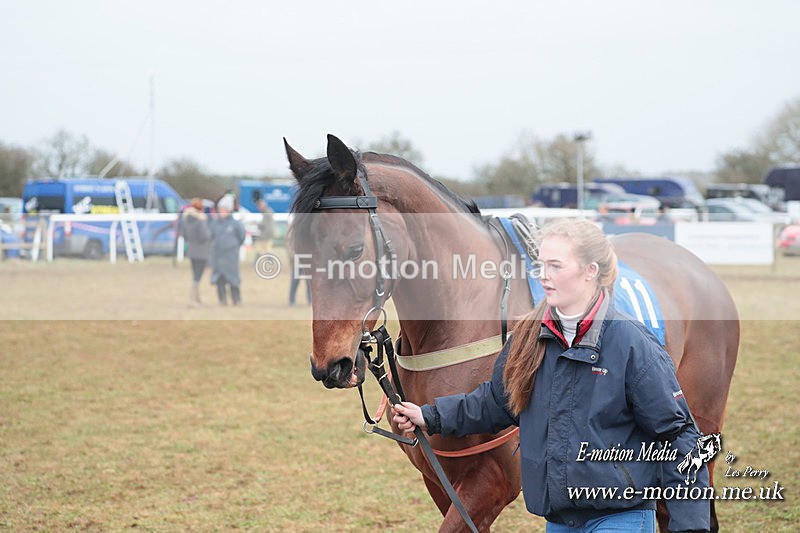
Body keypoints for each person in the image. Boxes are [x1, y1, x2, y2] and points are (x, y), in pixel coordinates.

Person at [393, 218, 710, 533]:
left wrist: (690, 527)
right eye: (540, 265)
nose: (544, 276)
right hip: (560, 520)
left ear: (590, 272)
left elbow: (680, 436)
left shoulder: (631, 343)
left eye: (556, 266)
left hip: (619, 516)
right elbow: (495, 404)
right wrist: (430, 416)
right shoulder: (528, 339)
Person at [210, 194, 246, 305]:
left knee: (233, 278)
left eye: (224, 209)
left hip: (231, 256)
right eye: (220, 209)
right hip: (218, 255)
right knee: (219, 279)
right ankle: (222, 300)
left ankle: (237, 300)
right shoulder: (215, 223)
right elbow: (211, 236)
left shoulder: (236, 224)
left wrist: (233, 247)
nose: (221, 211)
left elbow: (241, 237)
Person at [178, 198, 212, 307]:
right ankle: (193, 300)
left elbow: (184, 234)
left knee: (195, 276)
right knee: (197, 277)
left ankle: (197, 299)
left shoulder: (187, 219)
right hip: (201, 252)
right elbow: (205, 236)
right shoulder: (201, 220)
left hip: (192, 251)